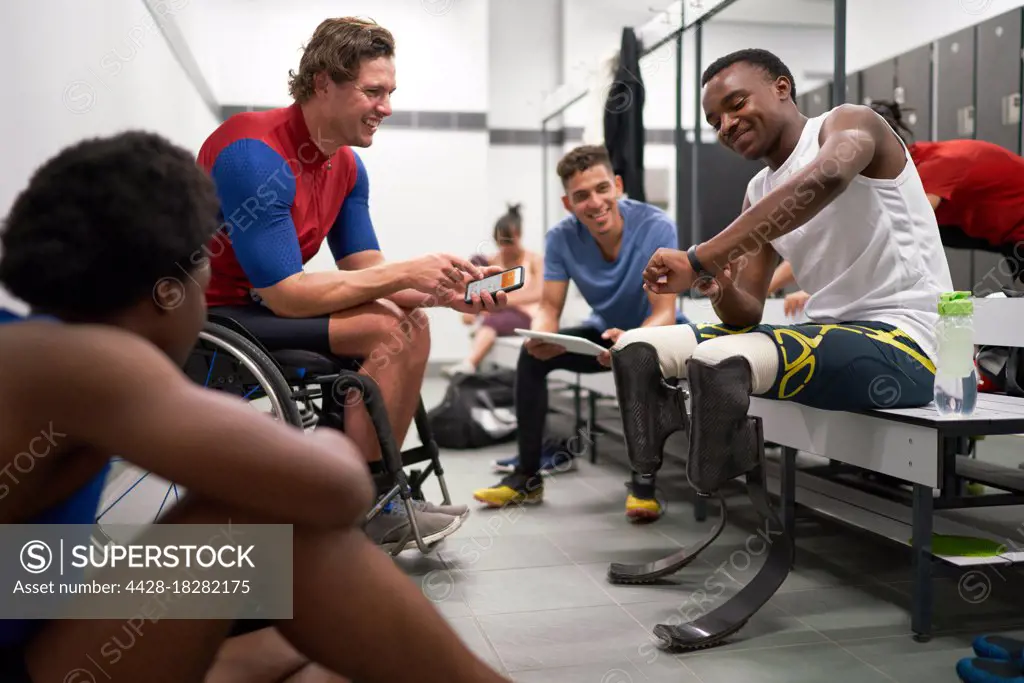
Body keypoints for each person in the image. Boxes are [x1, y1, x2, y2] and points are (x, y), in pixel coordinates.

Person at [0, 131, 511, 683]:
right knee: (260, 519)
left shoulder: (31, 344)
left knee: (317, 627)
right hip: (31, 637)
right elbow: (335, 490)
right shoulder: (87, 362)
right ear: (171, 288)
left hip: (32, 588)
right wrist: (329, 442)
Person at [196, 16, 508, 551]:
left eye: (390, 92)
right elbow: (287, 293)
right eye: (373, 91)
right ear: (323, 84)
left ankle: (374, 490)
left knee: (410, 323)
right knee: (389, 329)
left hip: (266, 307)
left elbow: (366, 272)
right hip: (215, 318)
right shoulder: (254, 155)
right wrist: (408, 273)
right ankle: (365, 501)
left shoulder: (345, 167)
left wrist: (447, 290)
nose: (386, 106)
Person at [606, 49, 952, 523]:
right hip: (834, 340)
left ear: (782, 88)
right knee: (637, 347)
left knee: (723, 361)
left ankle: (719, 472)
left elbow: (825, 178)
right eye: (714, 120)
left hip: (912, 347)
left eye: (736, 103)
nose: (726, 123)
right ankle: (662, 451)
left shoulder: (851, 123)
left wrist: (700, 256)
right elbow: (746, 311)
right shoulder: (759, 190)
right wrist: (719, 285)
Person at [472, 144, 684, 521]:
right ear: (568, 203)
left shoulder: (656, 226)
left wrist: (631, 339)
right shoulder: (561, 238)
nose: (596, 202)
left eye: (602, 189)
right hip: (604, 335)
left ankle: (644, 485)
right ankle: (526, 477)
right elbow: (550, 307)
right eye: (581, 195)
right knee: (531, 357)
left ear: (617, 186)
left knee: (637, 357)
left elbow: (664, 312)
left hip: (657, 337)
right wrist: (542, 336)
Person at [770, 99, 1024, 316]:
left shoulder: (931, 170)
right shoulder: (909, 164)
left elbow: (868, 239)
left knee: (891, 232)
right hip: (999, 230)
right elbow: (834, 239)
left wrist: (818, 290)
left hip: (1016, 226)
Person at [444, 204, 544, 377]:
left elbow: (538, 294)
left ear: (518, 236)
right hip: (499, 314)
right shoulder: (491, 261)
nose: (503, 248)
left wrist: (502, 301)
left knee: (493, 320)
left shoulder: (535, 260)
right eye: (500, 242)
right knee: (477, 269)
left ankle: (470, 364)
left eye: (508, 242)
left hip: (528, 317)